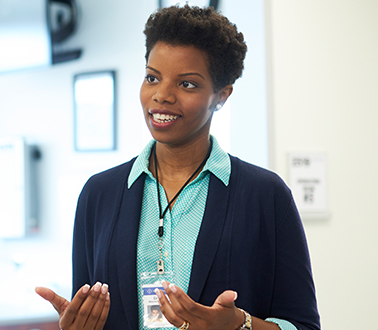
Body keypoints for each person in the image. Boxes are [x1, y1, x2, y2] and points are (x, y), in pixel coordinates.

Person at [39, 5, 320, 330]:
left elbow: (304, 326)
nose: (161, 95)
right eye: (152, 77)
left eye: (186, 84)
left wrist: (239, 325)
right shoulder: (99, 194)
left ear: (221, 95)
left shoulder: (265, 196)